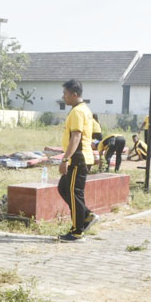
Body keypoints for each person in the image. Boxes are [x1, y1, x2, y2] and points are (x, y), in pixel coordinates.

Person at [57, 79, 98, 242]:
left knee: (75, 194)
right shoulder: (82, 109)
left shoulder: (77, 112)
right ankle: (86, 215)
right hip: (81, 158)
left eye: (65, 94)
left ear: (74, 95)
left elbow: (76, 136)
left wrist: (65, 159)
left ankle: (77, 231)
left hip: (77, 159)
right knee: (63, 187)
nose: (63, 97)